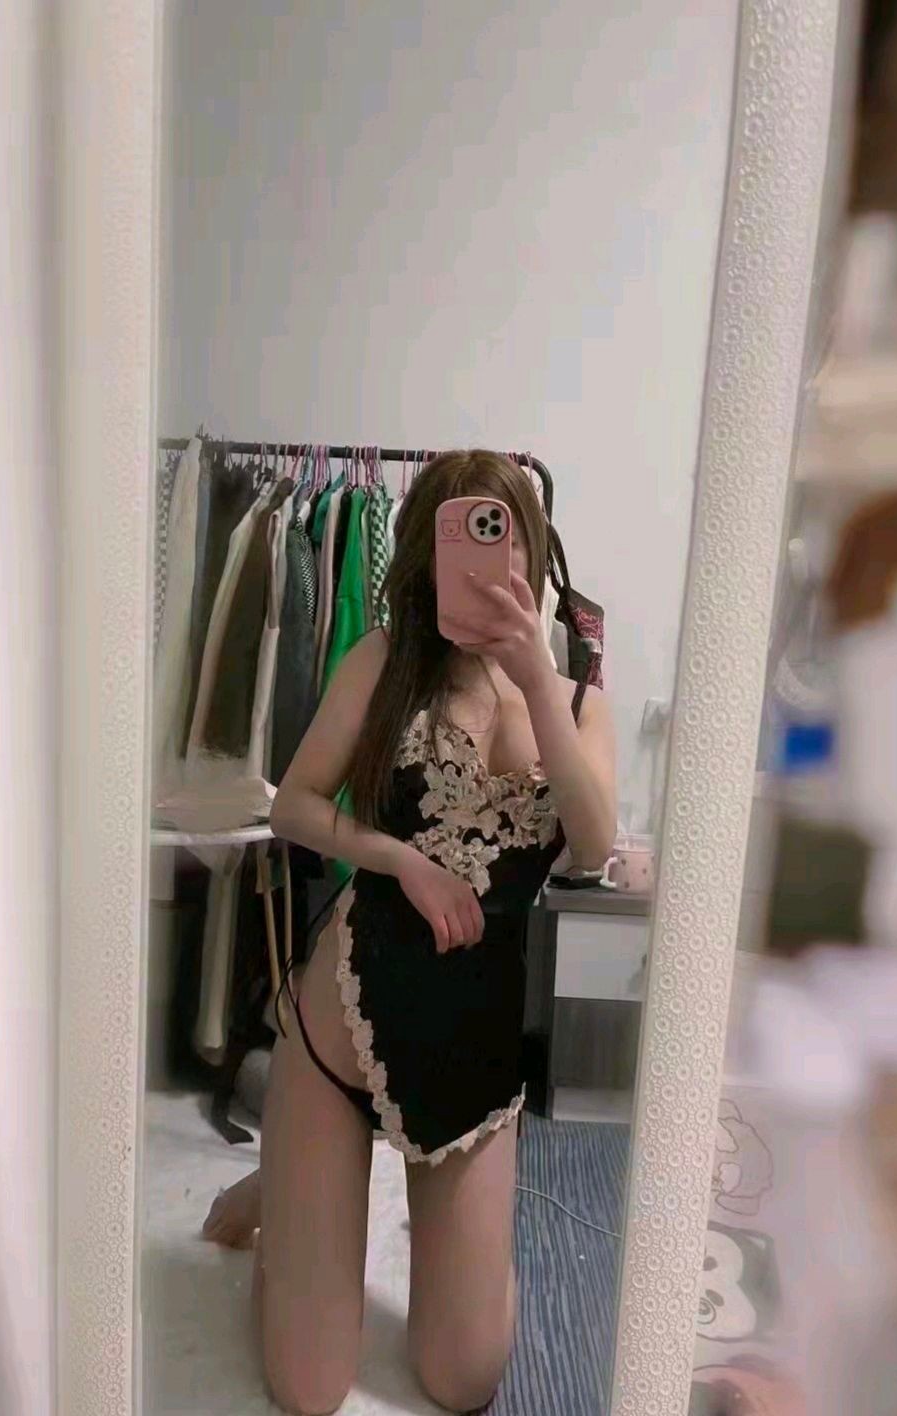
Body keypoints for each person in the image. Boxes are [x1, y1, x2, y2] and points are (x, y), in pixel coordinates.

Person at [202, 450, 616, 1414]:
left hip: (471, 1053)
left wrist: (536, 678)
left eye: (502, 534)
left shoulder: (578, 694)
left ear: (533, 547)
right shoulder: (384, 660)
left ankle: (294, 1192)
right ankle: (285, 1190)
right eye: (459, 536)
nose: (485, 560)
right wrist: (402, 860)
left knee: (461, 1378)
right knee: (309, 1389)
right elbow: (296, 805)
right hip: (342, 1028)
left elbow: (593, 844)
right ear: (427, 554)